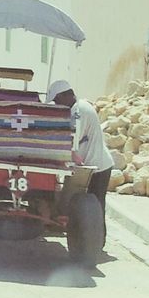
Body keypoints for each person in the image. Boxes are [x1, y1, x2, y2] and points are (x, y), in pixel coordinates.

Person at [47, 79, 114, 210]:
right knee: (87, 208)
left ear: (63, 96)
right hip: (91, 164)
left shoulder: (79, 111)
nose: (57, 104)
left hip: (98, 166)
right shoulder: (77, 108)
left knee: (95, 208)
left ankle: (98, 231)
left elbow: (72, 143)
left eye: (56, 100)